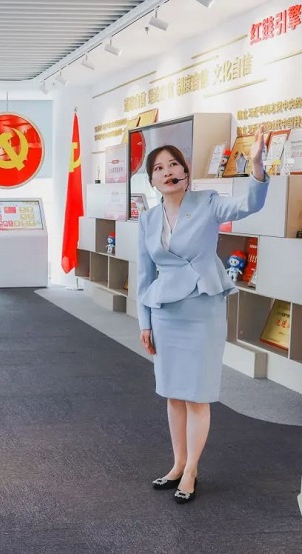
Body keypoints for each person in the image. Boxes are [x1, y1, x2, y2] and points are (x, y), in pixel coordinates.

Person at [137, 126, 268, 505]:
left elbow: (248, 205)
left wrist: (257, 167)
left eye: (173, 165)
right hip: (165, 312)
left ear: (185, 170)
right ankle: (177, 464)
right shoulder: (147, 219)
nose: (167, 172)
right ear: (152, 180)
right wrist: (144, 322)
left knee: (196, 395)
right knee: (173, 394)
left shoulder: (208, 202)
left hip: (202, 309)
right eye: (159, 168)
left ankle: (192, 468)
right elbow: (144, 275)